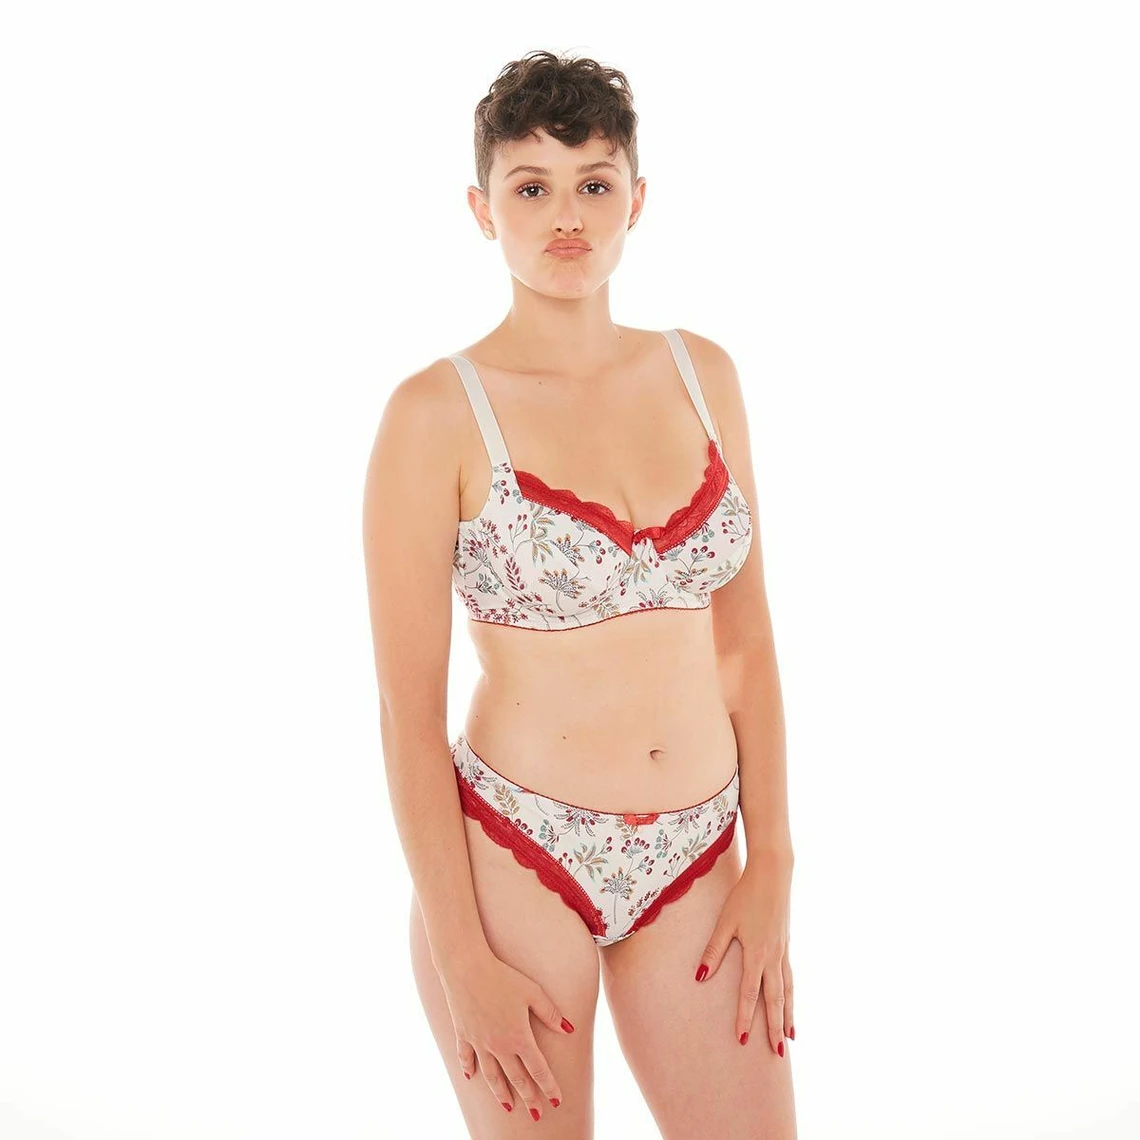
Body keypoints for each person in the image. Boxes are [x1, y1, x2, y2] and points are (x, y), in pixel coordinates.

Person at [363, 49, 797, 1138]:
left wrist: (774, 865)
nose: (566, 216)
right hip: (516, 857)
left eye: (594, 183)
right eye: (531, 187)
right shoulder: (434, 416)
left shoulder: (705, 374)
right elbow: (407, 715)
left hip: (700, 854)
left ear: (636, 199)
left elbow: (746, 648)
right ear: (482, 209)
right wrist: (460, 956)